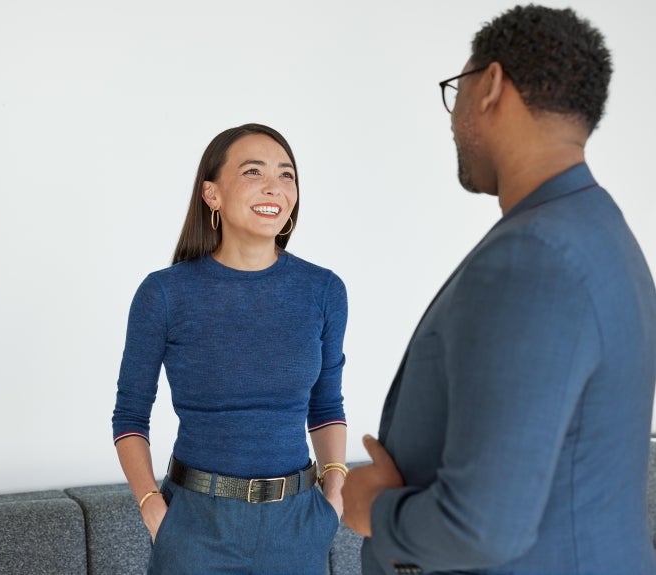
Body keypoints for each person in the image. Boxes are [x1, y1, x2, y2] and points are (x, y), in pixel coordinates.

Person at [342, 5, 656, 575]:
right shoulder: (599, 229)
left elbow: (481, 528)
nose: (453, 115)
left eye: (455, 90)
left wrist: (375, 511)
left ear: (489, 86)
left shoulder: (534, 256)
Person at [112, 123, 348, 575]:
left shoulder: (323, 290)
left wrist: (333, 491)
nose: (274, 188)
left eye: (287, 175)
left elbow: (326, 404)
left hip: (297, 527)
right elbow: (129, 416)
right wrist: (152, 510)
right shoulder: (164, 294)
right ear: (211, 194)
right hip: (196, 527)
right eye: (253, 172)